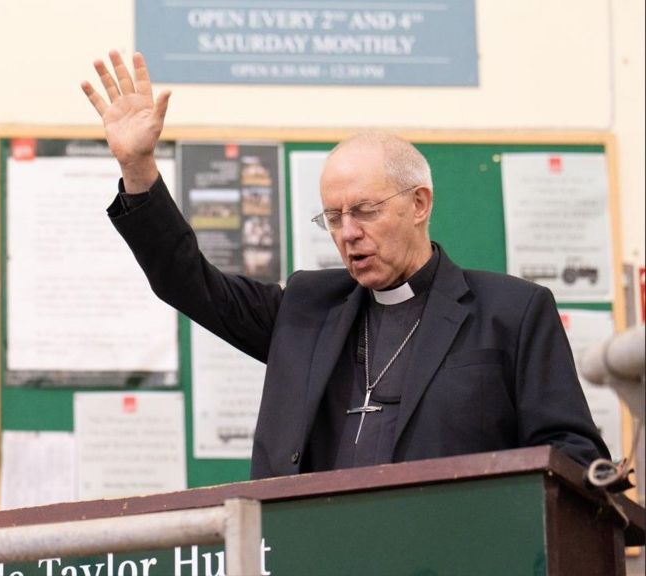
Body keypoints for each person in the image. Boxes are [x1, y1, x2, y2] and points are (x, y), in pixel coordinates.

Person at [81, 51, 608, 478]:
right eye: (333, 217)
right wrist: (138, 167)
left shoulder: (511, 312)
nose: (348, 233)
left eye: (365, 211)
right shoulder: (306, 310)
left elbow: (572, 453)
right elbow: (186, 280)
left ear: (419, 203)